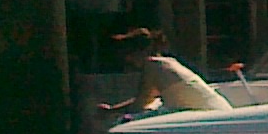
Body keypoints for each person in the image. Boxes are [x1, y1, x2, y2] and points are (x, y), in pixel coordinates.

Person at [96, 28, 230, 114]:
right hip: (219, 112)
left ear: (139, 52)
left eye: (129, 56)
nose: (129, 61)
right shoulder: (168, 62)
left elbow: (140, 104)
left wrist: (110, 112)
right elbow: (148, 99)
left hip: (209, 115)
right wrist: (113, 109)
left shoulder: (151, 66)